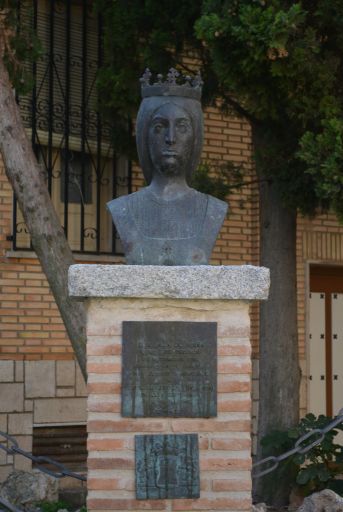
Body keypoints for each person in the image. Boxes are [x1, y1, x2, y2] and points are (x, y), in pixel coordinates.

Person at [107, 69, 228, 265]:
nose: (170, 139)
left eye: (182, 128)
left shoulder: (213, 209)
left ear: (195, 137)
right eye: (159, 127)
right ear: (144, 136)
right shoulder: (122, 209)